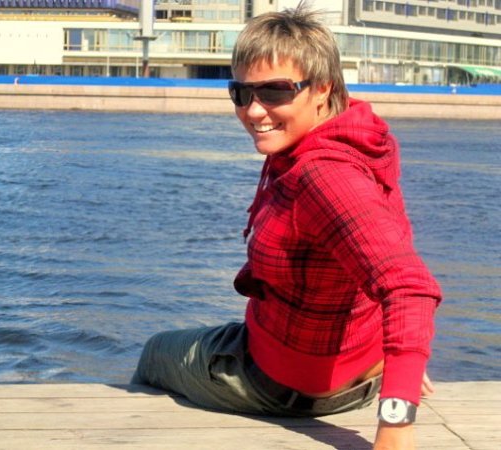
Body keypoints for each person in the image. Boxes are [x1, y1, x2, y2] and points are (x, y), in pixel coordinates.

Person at [131, 3, 442, 449]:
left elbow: (409, 287)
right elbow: (386, 248)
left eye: (275, 91)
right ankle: (372, 364)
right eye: (241, 93)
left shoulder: (324, 176)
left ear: (322, 88)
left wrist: (395, 425)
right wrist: (400, 364)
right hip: (354, 363)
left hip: (285, 386)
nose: (254, 111)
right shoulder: (359, 136)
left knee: (155, 352)